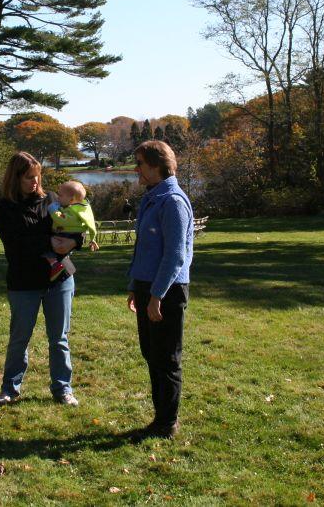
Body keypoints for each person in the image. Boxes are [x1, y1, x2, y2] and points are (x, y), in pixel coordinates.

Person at [0, 152, 80, 407]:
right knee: (20, 338)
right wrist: (49, 242)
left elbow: (74, 225)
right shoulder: (6, 208)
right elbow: (15, 244)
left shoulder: (52, 199)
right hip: (24, 282)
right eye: (29, 177)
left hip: (59, 279)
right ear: (15, 178)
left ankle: (62, 388)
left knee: (59, 338)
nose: (34, 182)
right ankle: (10, 388)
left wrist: (75, 241)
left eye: (37, 176)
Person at [126, 140, 194, 441]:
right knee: (151, 354)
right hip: (146, 288)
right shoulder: (152, 198)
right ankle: (160, 418)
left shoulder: (173, 202)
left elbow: (175, 255)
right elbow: (145, 249)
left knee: (166, 358)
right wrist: (134, 287)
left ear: (155, 165)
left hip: (166, 291)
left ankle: (167, 423)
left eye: (140, 163)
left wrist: (156, 296)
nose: (136, 169)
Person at [43, 179, 99, 282]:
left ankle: (55, 265)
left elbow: (61, 219)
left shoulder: (72, 211)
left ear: (71, 200)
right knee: (59, 251)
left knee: (47, 247)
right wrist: (92, 238)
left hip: (67, 234)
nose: (57, 197)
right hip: (69, 235)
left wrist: (53, 210)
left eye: (60, 195)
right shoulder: (80, 208)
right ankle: (64, 267)